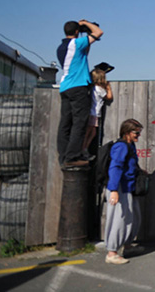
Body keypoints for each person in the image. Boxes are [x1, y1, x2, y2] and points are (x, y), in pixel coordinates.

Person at [57, 19, 103, 168]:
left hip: (65, 87)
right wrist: (86, 23)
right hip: (78, 87)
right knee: (79, 123)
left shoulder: (61, 47)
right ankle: (72, 156)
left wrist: (82, 29)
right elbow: (98, 32)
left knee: (65, 123)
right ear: (77, 32)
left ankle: (64, 156)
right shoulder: (77, 43)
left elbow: (85, 52)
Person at [105, 118, 143, 265]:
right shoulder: (121, 147)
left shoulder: (130, 145)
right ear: (127, 132)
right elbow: (115, 167)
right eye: (136, 133)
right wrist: (114, 190)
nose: (138, 136)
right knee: (118, 221)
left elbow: (129, 165)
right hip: (120, 188)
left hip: (128, 188)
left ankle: (127, 246)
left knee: (132, 218)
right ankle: (112, 252)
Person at [82, 67, 113, 159]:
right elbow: (109, 97)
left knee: (92, 132)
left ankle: (84, 149)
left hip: (92, 112)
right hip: (94, 113)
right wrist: (108, 87)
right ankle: (83, 149)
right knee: (89, 132)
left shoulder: (93, 88)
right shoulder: (99, 88)